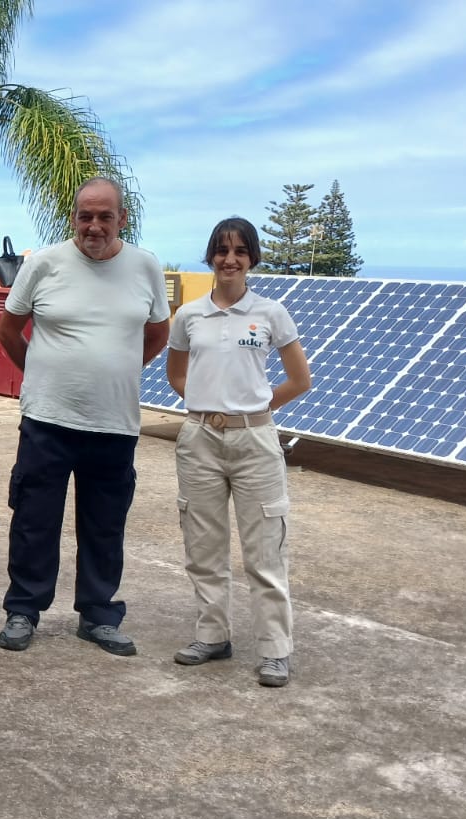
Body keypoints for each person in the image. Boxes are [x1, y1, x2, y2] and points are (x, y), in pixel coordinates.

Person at [0, 176, 170, 656]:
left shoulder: (145, 267)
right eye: (85, 216)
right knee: (34, 518)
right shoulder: (45, 264)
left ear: (122, 219)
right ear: (73, 217)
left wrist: (116, 370)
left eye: (104, 216)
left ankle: (97, 615)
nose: (94, 226)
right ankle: (24, 610)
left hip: (114, 423)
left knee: (105, 523)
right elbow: (9, 331)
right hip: (47, 420)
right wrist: (43, 374)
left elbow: (157, 332)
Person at [166, 217, 312, 687]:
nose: (230, 259)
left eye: (240, 251)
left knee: (265, 551)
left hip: (256, 443)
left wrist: (252, 407)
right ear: (210, 255)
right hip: (200, 440)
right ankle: (212, 636)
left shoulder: (270, 314)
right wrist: (209, 406)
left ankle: (274, 650)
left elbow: (299, 379)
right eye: (222, 250)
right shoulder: (189, 316)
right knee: (203, 546)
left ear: (252, 258)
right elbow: (177, 374)